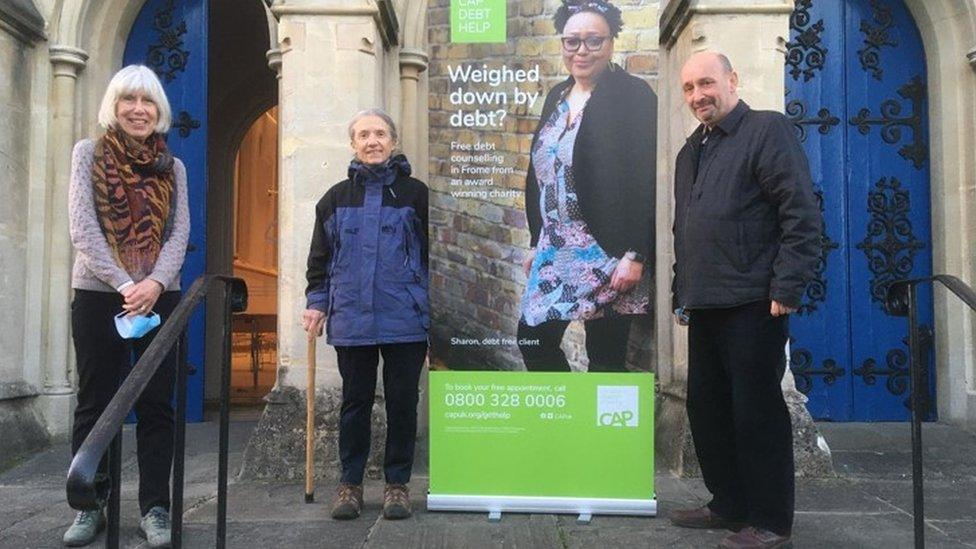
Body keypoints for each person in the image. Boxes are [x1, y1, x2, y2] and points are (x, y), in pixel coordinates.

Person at [669, 51, 822, 548]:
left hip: (755, 302)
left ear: (732, 80)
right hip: (706, 301)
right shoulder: (690, 150)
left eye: (707, 83)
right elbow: (684, 228)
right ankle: (729, 504)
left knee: (756, 412)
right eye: (689, 88)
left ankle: (771, 520)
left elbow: (800, 214)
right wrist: (681, 289)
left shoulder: (766, 131)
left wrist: (787, 287)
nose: (698, 96)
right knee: (706, 409)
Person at [64, 65, 189, 548]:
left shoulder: (172, 167)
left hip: (161, 295)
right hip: (100, 295)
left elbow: (179, 232)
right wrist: (124, 283)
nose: (139, 110)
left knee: (158, 404)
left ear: (159, 111)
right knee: (97, 402)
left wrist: (155, 282)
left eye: (148, 102)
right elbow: (83, 228)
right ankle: (89, 505)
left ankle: (156, 508)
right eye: (128, 101)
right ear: (113, 107)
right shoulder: (88, 154)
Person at [302, 109, 429, 521]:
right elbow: (319, 259)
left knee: (402, 403)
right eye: (363, 135)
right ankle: (350, 484)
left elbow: (432, 260)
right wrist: (317, 303)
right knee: (355, 403)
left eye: (379, 134)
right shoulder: (335, 199)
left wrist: (433, 316)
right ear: (353, 144)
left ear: (393, 141)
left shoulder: (416, 195)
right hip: (353, 315)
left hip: (404, 318)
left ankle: (397, 485)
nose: (372, 141)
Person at [517, 0, 656, 372]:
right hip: (556, 248)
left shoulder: (634, 96)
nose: (582, 50)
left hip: (609, 250)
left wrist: (637, 254)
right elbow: (540, 173)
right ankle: (570, 424)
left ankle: (603, 432)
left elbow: (648, 178)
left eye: (594, 41)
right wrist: (537, 240)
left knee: (606, 360)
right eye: (572, 41)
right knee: (531, 340)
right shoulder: (556, 96)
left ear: (612, 43)